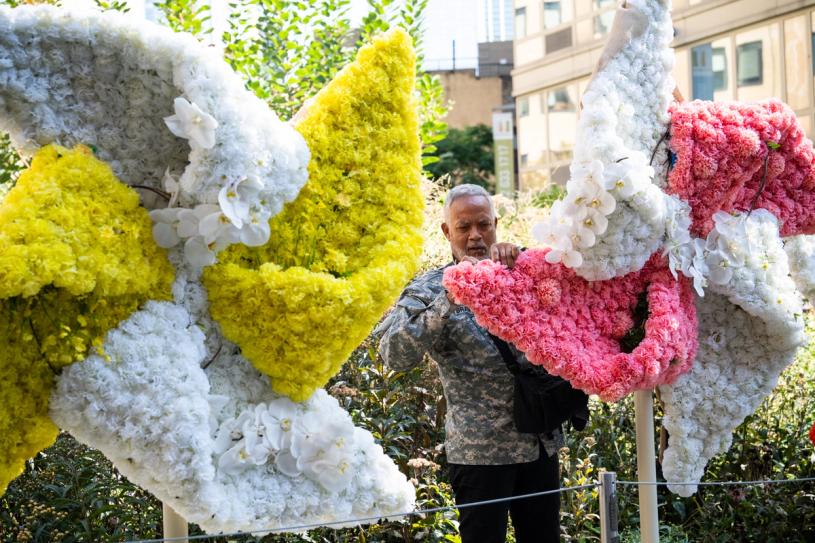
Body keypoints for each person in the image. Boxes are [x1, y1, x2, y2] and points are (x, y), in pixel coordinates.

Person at [375, 184, 563, 543]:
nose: (475, 236)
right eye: (464, 227)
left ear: (496, 223)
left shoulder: (524, 272)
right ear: (447, 231)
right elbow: (393, 355)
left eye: (483, 225)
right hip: (480, 455)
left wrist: (523, 266)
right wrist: (451, 297)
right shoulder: (431, 288)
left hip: (538, 446)